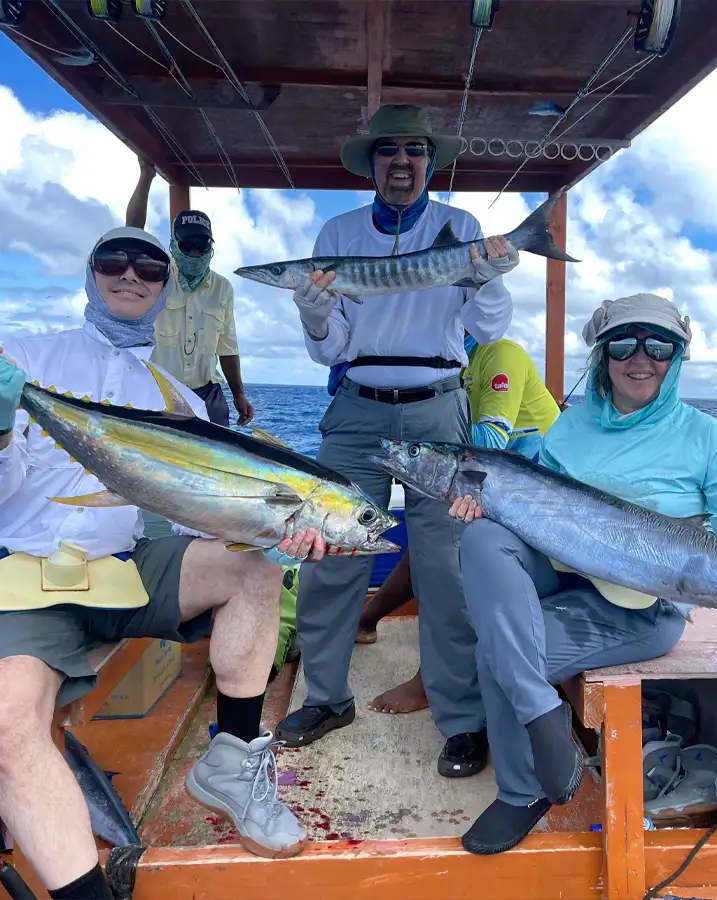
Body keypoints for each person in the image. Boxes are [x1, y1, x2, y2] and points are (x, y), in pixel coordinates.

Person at [0, 226, 319, 899]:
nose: (130, 275)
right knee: (1, 714)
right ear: (90, 274)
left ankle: (232, 763)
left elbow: (194, 519)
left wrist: (267, 529)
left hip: (121, 568)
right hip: (16, 577)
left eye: (149, 267)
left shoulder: (176, 397)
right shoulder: (23, 359)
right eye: (113, 261)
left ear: (166, 287)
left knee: (255, 571)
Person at [445, 292, 717, 855]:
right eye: (623, 345)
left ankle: (521, 791)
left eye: (659, 346)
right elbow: (536, 512)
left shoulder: (705, 437)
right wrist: (487, 505)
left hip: (642, 605)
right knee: (482, 537)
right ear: (603, 355)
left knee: (499, 654)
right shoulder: (570, 426)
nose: (641, 359)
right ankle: (542, 715)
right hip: (566, 577)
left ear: (677, 356)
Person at [274, 104, 517, 780]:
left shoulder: (459, 227)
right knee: (332, 556)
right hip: (357, 408)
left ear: (430, 162)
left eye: (415, 149)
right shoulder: (338, 232)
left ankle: (459, 715)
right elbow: (333, 349)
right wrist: (313, 312)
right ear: (373, 163)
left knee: (447, 568)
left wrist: (488, 275)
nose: (402, 162)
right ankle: (326, 698)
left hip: (439, 408)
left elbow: (487, 326)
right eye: (389, 150)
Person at [356, 333, 561, 715]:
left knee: (451, 548)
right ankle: (366, 620)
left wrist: (421, 447)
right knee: (428, 543)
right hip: (491, 490)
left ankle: (428, 678)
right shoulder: (453, 365)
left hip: (537, 498)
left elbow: (491, 439)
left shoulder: (501, 355)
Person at [125, 157, 254, 428]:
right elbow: (132, 236)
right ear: (173, 245)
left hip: (208, 395)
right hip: (156, 393)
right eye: (187, 245)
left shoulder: (222, 288)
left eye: (202, 245)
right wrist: (146, 176)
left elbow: (227, 347)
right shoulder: (155, 276)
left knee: (218, 455)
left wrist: (239, 394)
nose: (195, 253)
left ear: (211, 247)